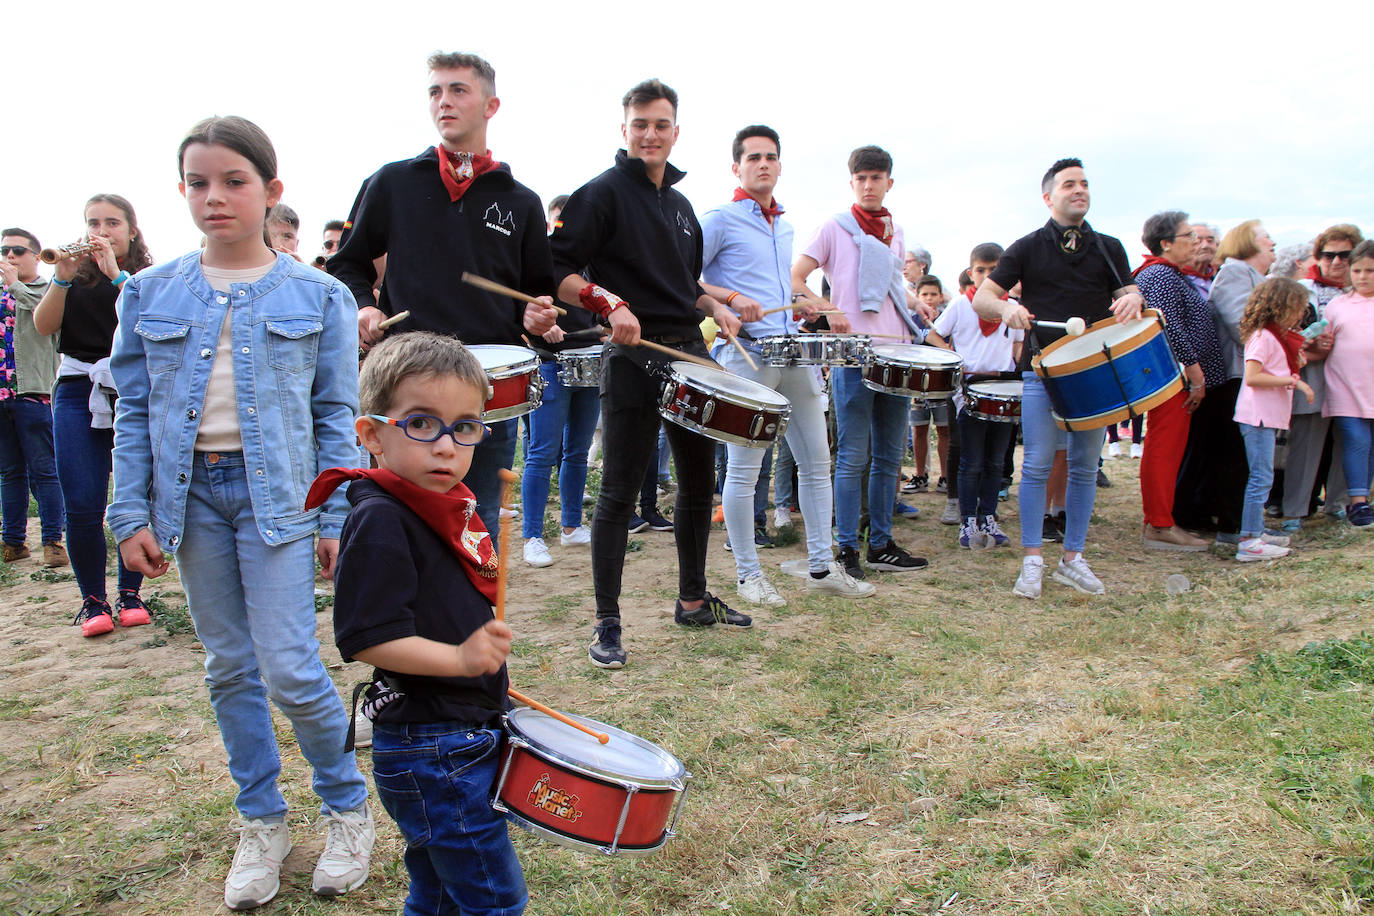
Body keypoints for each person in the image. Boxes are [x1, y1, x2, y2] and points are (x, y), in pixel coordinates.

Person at [108, 116, 373, 910]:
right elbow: (132, 411)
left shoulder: (319, 294)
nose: (215, 197)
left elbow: (336, 414)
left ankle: (347, 805)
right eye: (198, 182)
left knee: (291, 665)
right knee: (228, 667)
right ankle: (262, 819)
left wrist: (335, 518)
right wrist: (128, 514)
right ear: (182, 191)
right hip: (189, 504)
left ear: (271, 191)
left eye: (234, 181)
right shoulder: (147, 293)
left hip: (281, 502)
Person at [315, 331, 526, 915]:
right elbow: (369, 638)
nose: (446, 446)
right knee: (494, 901)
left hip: (454, 735)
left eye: (465, 426)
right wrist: (460, 662)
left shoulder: (440, 509)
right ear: (372, 435)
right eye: (421, 423)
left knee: (437, 894)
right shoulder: (381, 519)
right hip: (431, 749)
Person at [550, 78, 750, 670]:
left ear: (676, 131)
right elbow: (556, 267)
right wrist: (607, 303)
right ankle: (607, 623)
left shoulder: (683, 207)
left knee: (696, 482)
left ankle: (692, 600)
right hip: (634, 357)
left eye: (661, 125)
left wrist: (714, 307)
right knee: (617, 490)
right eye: (640, 124)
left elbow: (682, 285)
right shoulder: (601, 194)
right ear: (625, 129)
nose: (650, 134)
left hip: (689, 354)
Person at [328, 51, 557, 538]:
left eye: (458, 90)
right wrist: (364, 306)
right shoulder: (392, 182)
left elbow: (534, 291)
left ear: (490, 105)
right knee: (401, 512)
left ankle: (470, 614)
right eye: (435, 91)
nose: (444, 102)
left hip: (487, 385)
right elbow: (347, 263)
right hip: (406, 374)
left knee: (478, 518)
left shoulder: (521, 201)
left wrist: (536, 316)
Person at [700, 124, 874, 607]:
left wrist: (819, 304)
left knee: (817, 460)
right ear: (736, 167)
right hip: (745, 353)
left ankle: (822, 565)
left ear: (779, 165)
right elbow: (685, 279)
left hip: (791, 350)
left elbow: (785, 289)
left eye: (770, 157)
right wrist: (730, 299)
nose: (763, 164)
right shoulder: (718, 220)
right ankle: (747, 575)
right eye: (753, 157)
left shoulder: (787, 225)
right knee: (745, 470)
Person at [972, 157, 1144, 598]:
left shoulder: (1108, 247)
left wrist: (1134, 298)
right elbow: (984, 299)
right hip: (1041, 371)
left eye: (1085, 183)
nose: (1080, 190)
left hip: (1094, 372)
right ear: (1049, 197)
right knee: (1037, 466)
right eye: (1070, 184)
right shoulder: (1027, 247)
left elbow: (1127, 292)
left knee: (1086, 467)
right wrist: (1006, 307)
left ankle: (1073, 558)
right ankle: (1032, 560)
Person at [791, 145, 929, 580]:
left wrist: (913, 304)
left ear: (889, 182)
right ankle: (847, 546)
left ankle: (882, 543)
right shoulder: (835, 227)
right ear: (852, 183)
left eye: (877, 178)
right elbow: (796, 278)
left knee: (890, 456)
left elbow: (889, 287)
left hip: (899, 352)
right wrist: (827, 308)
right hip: (854, 355)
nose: (869, 186)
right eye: (861, 179)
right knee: (852, 455)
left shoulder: (896, 231)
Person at [33, 195, 153, 635]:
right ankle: (93, 600)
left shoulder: (144, 277)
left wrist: (116, 275)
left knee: (134, 496)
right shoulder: (70, 275)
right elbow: (45, 328)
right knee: (82, 501)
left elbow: (153, 320)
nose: (101, 231)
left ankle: (130, 592)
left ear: (132, 231)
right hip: (76, 390)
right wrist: (60, 279)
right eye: (93, 223)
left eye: (112, 223)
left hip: (132, 391)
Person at [1176, 220, 1276, 544]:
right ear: (1248, 243)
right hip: (1236, 376)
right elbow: (1241, 326)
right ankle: (1235, 527)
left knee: (1234, 455)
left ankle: (1239, 523)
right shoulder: (1235, 273)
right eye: (1266, 237)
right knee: (1235, 455)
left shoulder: (1252, 276)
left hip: (1242, 375)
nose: (1272, 241)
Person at [1131, 211, 1220, 551]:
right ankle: (1159, 525)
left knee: (1169, 447)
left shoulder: (1166, 274)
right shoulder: (1160, 276)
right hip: (1172, 376)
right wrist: (1193, 369)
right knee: (1164, 447)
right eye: (1189, 236)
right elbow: (1166, 326)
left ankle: (1162, 520)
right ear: (1166, 243)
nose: (1197, 242)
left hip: (1175, 374)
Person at [521, 195, 602, 568]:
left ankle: (571, 526)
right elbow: (519, 310)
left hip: (589, 362)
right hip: (550, 363)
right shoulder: (537, 260)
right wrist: (544, 325)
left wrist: (606, 330)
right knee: (541, 452)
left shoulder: (593, 262)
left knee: (578, 451)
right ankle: (533, 535)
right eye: (558, 222)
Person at [928, 242, 1022, 549]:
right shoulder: (960, 305)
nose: (986, 276)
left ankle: (989, 517)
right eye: (981, 270)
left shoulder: (1013, 308)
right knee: (970, 460)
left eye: (994, 271)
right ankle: (968, 520)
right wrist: (950, 354)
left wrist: (1015, 367)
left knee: (996, 461)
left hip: (1003, 389)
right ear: (971, 273)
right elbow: (933, 333)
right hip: (968, 388)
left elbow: (1018, 346)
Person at [1282, 225, 1362, 529]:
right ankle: (1294, 511)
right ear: (1318, 256)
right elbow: (1284, 332)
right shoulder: (1303, 289)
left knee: (1350, 442)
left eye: (1345, 255)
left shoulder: (1361, 292)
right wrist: (1309, 342)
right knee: (1305, 446)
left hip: (1353, 380)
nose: (1337, 261)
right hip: (1312, 377)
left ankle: (1338, 503)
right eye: (1329, 255)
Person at [1232, 278, 1311, 559]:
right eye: (1296, 308)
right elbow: (1253, 377)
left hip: (1265, 417)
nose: (1300, 314)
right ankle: (1249, 540)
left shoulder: (1272, 337)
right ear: (1280, 307)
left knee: (1262, 477)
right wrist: (1292, 380)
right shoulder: (1263, 337)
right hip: (1258, 417)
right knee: (1261, 478)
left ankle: (1255, 530)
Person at [1, 229, 66, 567]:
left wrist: (14, 284)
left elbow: (49, 322)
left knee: (45, 471)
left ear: (36, 256)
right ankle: (12, 542)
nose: (10, 257)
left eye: (18, 250)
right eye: (4, 250)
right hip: (1, 398)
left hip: (35, 394)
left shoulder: (46, 290)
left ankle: (53, 541)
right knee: (10, 473)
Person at [1322, 239, 1374, 528]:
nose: (1363, 277)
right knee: (1357, 441)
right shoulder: (1337, 306)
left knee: (1371, 444)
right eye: (1357, 270)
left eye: (1370, 270)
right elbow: (1323, 343)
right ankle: (1358, 503)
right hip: (1345, 386)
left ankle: (1363, 496)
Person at [906, 274, 951, 495]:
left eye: (934, 294)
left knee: (944, 430)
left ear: (941, 296)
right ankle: (920, 476)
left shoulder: (946, 318)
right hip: (916, 383)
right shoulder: (911, 320)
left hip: (941, 382)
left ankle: (945, 476)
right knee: (919, 430)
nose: (929, 298)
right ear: (917, 296)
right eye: (925, 294)